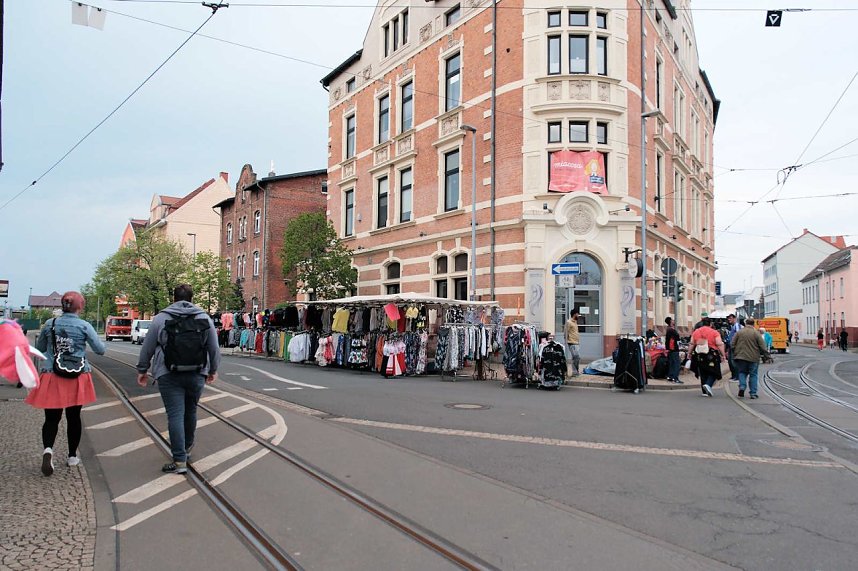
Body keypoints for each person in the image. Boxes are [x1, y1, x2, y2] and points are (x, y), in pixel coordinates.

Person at [136, 284, 220, 474]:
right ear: (192, 298)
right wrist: (213, 369)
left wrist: (142, 370)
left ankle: (180, 460)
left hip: (168, 374)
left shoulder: (161, 318)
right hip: (197, 373)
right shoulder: (203, 317)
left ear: (173, 298)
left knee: (174, 414)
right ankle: (187, 447)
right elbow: (214, 348)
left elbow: (147, 347)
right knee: (190, 412)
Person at [28, 291, 105, 476]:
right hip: (77, 376)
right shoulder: (84, 326)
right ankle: (72, 456)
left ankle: (48, 449)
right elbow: (100, 350)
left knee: (51, 418)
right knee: (74, 417)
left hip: (52, 375)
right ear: (80, 306)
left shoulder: (50, 324)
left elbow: (39, 350)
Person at [731, 317, 768, 399]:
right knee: (753, 374)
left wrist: (735, 353)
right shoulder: (756, 333)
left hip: (740, 357)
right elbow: (763, 346)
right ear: (753, 324)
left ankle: (742, 387)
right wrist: (767, 356)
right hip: (753, 358)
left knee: (742, 372)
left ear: (745, 324)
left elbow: (732, 344)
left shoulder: (739, 332)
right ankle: (753, 393)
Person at [689, 317, 725, 397]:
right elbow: (719, 343)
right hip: (711, 354)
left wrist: (689, 353)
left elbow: (692, 343)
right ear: (710, 324)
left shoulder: (696, 332)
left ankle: (704, 391)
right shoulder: (714, 332)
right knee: (714, 371)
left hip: (699, 354)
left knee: (703, 372)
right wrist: (723, 354)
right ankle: (708, 385)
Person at [664, 317, 683, 384]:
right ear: (670, 322)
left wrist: (667, 348)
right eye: (672, 320)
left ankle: (670, 376)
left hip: (670, 349)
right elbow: (676, 339)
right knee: (676, 364)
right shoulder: (671, 330)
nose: (673, 320)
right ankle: (675, 378)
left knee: (672, 363)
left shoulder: (668, 329)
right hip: (674, 349)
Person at [724, 314, 742, 381]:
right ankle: (734, 376)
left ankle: (737, 377)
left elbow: (738, 334)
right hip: (731, 346)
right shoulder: (732, 326)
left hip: (735, 346)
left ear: (735, 318)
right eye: (728, 318)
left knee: (734, 362)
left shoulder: (737, 325)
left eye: (730, 318)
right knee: (730, 362)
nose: (729, 320)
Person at [564, 308, 581, 377]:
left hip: (576, 342)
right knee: (576, 356)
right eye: (577, 314)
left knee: (577, 357)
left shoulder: (575, 322)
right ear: (574, 314)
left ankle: (576, 371)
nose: (578, 315)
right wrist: (566, 341)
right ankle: (574, 372)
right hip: (571, 342)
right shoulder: (569, 322)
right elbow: (565, 332)